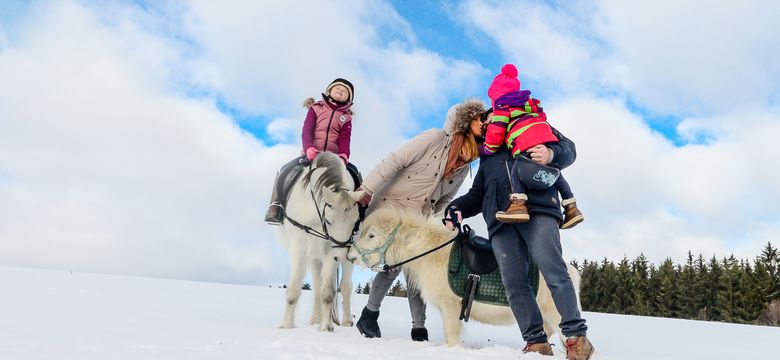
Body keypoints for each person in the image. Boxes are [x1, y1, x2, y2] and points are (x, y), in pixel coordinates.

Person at [445, 112, 595, 359]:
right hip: (501, 223)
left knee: (553, 270)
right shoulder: (488, 155)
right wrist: (456, 208)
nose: (492, 122)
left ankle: (576, 338)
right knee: (514, 282)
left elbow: (569, 148)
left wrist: (551, 154)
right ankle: (536, 341)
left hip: (539, 212)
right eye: (488, 121)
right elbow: (477, 194)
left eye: (496, 116)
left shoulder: (533, 127)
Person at [355, 99, 487, 342]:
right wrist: (366, 190)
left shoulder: (466, 165)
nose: (486, 122)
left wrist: (438, 224)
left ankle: (418, 328)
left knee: (417, 268)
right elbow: (395, 161)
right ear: (466, 122)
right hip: (391, 209)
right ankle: (369, 315)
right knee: (393, 266)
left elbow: (446, 199)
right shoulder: (435, 138)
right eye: (480, 118)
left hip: (419, 219)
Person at [481, 64, 583, 229]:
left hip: (542, 209)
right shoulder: (528, 108)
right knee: (555, 173)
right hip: (544, 135)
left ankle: (518, 205)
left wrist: (485, 149)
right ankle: (571, 207)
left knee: (517, 169)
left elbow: (495, 137)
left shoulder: (502, 111)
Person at [265, 78, 361, 225]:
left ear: (349, 99)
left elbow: (345, 138)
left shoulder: (346, 117)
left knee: (356, 175)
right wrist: (309, 147)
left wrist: (343, 156)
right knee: (285, 170)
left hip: (333, 158)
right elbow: (307, 130)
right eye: (338, 89)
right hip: (312, 154)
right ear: (329, 91)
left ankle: (360, 213)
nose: (340, 92)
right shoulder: (316, 108)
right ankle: (276, 206)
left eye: (344, 92)